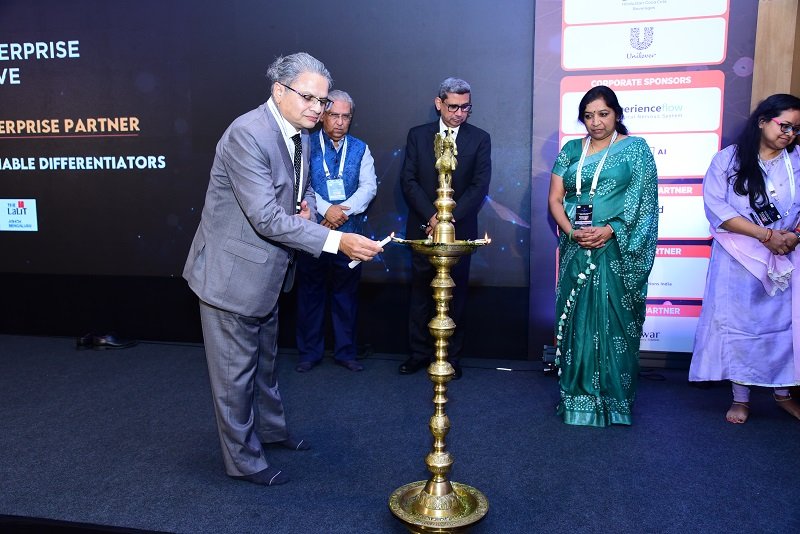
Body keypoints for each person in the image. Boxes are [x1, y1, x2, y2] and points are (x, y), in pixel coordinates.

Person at [182, 52, 383, 486]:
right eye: (309, 98)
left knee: (266, 364)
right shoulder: (247, 134)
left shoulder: (302, 134)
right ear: (279, 91)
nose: (318, 108)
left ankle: (271, 432)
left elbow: (295, 194)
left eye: (322, 101)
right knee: (234, 377)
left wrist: (306, 208)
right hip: (232, 275)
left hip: (270, 272)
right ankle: (243, 461)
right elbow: (266, 218)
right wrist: (337, 241)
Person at [547, 85, 659, 427]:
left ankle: (615, 400)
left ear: (617, 114)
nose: (595, 122)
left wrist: (611, 230)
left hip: (616, 250)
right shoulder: (570, 150)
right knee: (577, 319)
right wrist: (572, 232)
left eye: (603, 114)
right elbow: (555, 199)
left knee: (614, 322)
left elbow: (644, 203)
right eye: (588, 116)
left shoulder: (636, 150)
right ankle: (576, 398)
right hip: (576, 247)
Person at [689, 93, 800, 424]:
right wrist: (765, 236)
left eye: (796, 129)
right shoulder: (728, 160)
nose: (790, 134)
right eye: (784, 125)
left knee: (783, 326)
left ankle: (783, 393)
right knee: (739, 327)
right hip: (737, 258)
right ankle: (740, 398)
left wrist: (793, 236)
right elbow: (717, 208)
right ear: (763, 121)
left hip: (786, 254)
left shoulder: (797, 161)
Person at [399, 77, 492, 380]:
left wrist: (448, 219)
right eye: (453, 107)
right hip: (423, 228)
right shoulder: (418, 135)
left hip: (459, 230)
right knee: (420, 292)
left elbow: (479, 186)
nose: (459, 113)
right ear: (439, 103)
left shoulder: (480, 139)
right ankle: (418, 354)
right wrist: (432, 217)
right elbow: (408, 181)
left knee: (456, 293)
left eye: (465, 108)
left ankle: (452, 356)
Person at [294, 90, 377, 373]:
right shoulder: (305, 144)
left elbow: (369, 188)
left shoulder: (361, 148)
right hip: (313, 234)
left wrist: (342, 213)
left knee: (346, 296)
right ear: (322, 116)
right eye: (334, 115)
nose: (340, 122)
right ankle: (309, 353)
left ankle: (346, 352)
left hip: (349, 236)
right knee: (310, 294)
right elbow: (300, 183)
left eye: (346, 116)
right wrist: (326, 209)